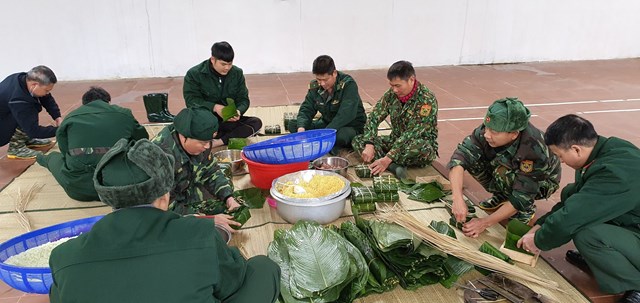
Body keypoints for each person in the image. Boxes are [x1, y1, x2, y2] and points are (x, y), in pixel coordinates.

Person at [48, 138, 281, 303]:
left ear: (109, 197)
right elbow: (233, 281)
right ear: (164, 196)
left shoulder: (64, 257)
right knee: (263, 268)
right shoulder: (200, 234)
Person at [518, 114, 640, 303]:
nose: (562, 162)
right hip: (632, 221)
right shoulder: (604, 151)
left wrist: (539, 241)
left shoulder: (616, 172)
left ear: (576, 149)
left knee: (588, 235)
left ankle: (636, 285)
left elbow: (574, 216)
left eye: (560, 156)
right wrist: (541, 225)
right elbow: (576, 198)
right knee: (577, 199)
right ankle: (603, 263)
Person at [448, 98, 561, 237]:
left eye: (494, 132)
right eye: (487, 128)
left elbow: (523, 194)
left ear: (514, 134)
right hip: (507, 168)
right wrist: (457, 198)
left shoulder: (534, 149)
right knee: (473, 160)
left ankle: (525, 210)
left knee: (505, 174)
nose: (487, 135)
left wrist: (484, 223)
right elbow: (459, 158)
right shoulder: (488, 130)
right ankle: (503, 196)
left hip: (541, 183)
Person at [36, 87, 148, 201]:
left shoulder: (70, 118)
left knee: (54, 158)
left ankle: (40, 158)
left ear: (84, 104)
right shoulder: (124, 113)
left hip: (80, 189)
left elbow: (65, 151)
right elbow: (142, 139)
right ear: (108, 102)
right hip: (123, 185)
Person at [152, 107, 241, 231]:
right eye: (203, 142)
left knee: (225, 181)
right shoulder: (160, 158)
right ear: (184, 137)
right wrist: (207, 220)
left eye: (209, 141)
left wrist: (228, 198)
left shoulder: (202, 143)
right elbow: (164, 206)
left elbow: (211, 171)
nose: (207, 146)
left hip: (186, 187)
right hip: (163, 205)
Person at [351, 60, 438, 178]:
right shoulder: (392, 94)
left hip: (417, 144)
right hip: (395, 141)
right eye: (391, 85)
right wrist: (369, 144)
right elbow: (374, 117)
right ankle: (393, 166)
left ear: (411, 80)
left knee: (418, 147)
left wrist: (388, 157)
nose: (395, 90)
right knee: (359, 140)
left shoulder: (426, 100)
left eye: (398, 86)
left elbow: (411, 134)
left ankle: (386, 161)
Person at [183, 41, 262, 148]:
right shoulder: (195, 74)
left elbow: (243, 99)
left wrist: (238, 111)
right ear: (213, 60)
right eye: (223, 64)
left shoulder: (237, 73)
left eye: (230, 64)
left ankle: (217, 142)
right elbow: (191, 101)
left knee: (255, 123)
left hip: (227, 122)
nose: (227, 68)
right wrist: (215, 108)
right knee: (191, 126)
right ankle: (228, 137)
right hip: (206, 121)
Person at [287, 55, 366, 155]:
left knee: (341, 136)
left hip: (349, 126)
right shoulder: (315, 86)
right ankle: (325, 142)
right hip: (327, 124)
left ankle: (326, 142)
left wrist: (326, 132)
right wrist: (301, 129)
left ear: (334, 73)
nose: (322, 84)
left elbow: (346, 114)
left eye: (325, 80)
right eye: (319, 80)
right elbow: (306, 109)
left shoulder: (348, 85)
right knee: (294, 124)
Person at [0, 65, 61, 159]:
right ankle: (16, 148)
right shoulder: (19, 100)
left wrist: (57, 117)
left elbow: (46, 98)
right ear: (34, 85)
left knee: (30, 108)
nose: (47, 93)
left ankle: (25, 139)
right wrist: (61, 130)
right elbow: (34, 130)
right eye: (46, 90)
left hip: (4, 114)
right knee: (30, 110)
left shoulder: (23, 78)